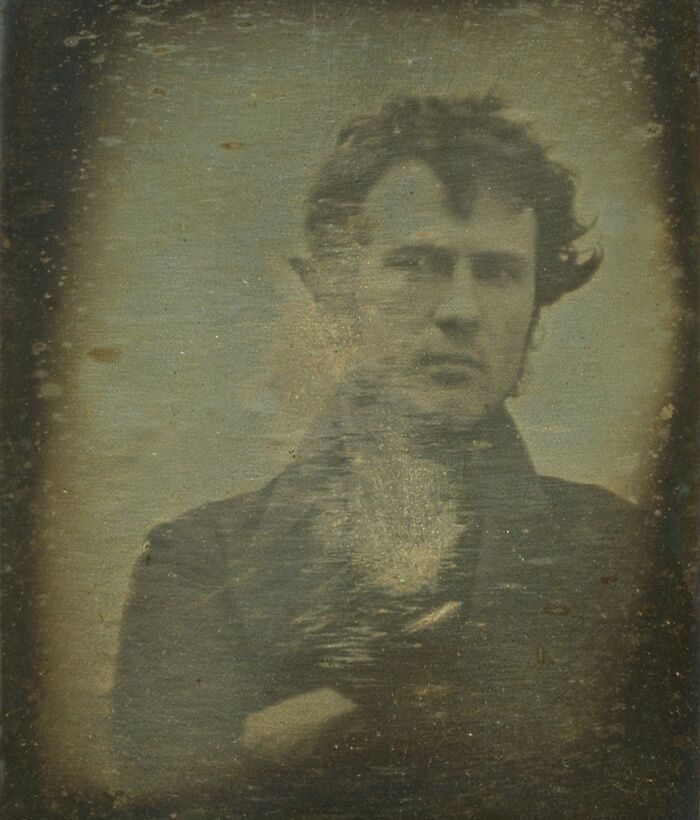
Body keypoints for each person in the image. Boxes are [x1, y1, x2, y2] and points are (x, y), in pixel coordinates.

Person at [111, 96, 693, 818]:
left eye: (499, 273)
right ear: (333, 288)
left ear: (536, 307)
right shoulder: (200, 564)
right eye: (417, 264)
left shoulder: (622, 554)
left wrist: (365, 714)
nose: (460, 310)